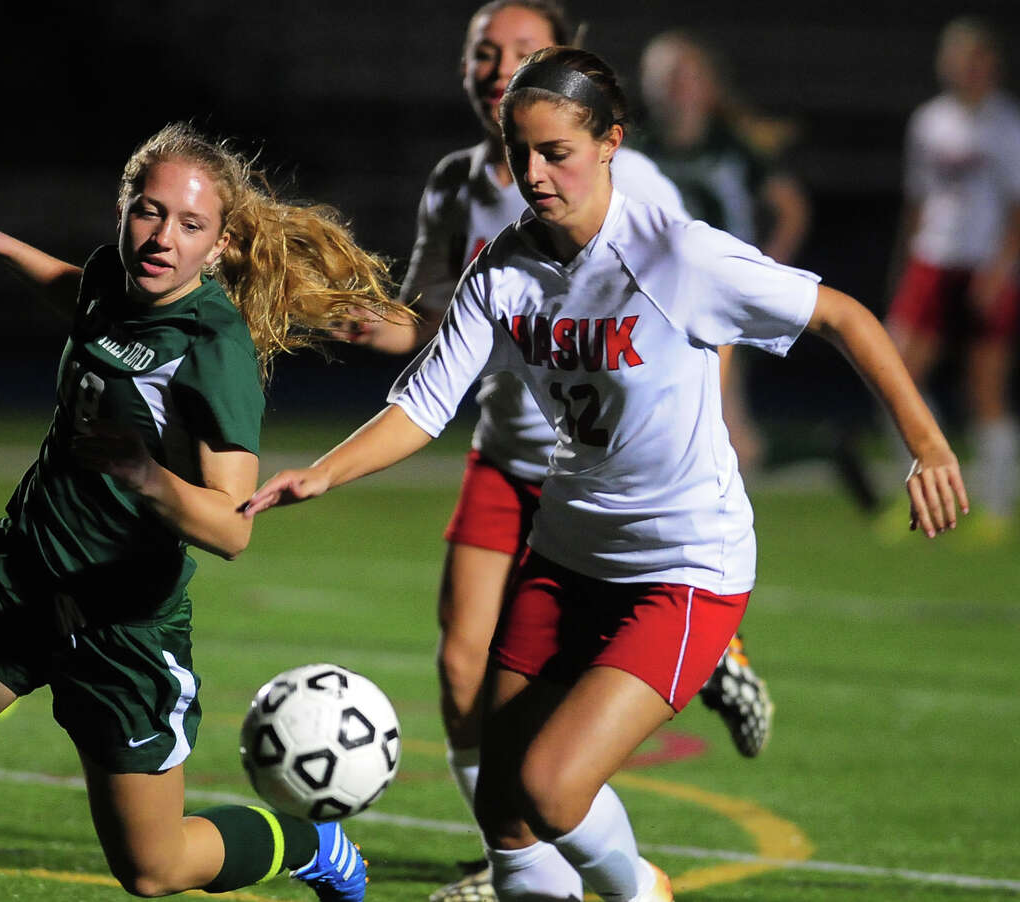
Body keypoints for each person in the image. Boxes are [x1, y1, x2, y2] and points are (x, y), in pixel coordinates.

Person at [245, 47, 967, 902]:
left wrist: (928, 443)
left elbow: (843, 316)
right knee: (507, 812)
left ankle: (639, 892)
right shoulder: (505, 269)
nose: (537, 172)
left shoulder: (678, 257)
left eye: (559, 152)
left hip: (684, 568)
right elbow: (425, 404)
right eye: (522, 153)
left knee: (551, 789)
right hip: (567, 555)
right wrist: (323, 475)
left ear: (611, 143)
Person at [0, 121, 411, 901]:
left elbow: (233, 527)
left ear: (220, 244)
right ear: (124, 206)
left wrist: (148, 478)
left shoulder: (214, 345)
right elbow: (81, 292)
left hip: (121, 629)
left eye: (190, 224)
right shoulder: (112, 276)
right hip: (18, 584)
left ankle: (310, 843)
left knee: (153, 868)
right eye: (149, 210)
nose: (163, 236)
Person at [346, 7, 769, 899]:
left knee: (559, 725)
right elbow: (427, 327)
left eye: (521, 52)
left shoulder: (635, 180)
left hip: (608, 474)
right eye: (482, 53)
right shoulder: (456, 185)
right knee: (463, 665)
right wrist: (335, 312)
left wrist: (716, 423)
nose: (499, 67)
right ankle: (508, 859)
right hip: (507, 448)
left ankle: (698, 652)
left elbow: (699, 301)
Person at [636, 30, 811, 479]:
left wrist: (764, 274)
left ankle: (818, 451)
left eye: (683, 76)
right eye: (665, 76)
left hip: (716, 299)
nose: (674, 87)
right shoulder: (637, 148)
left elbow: (791, 210)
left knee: (726, 428)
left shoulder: (731, 148)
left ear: (706, 85)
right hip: (655, 300)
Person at [884, 16, 1020, 541]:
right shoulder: (929, 122)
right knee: (898, 379)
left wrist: (999, 271)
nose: (968, 67)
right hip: (933, 261)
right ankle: (921, 494)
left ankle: (997, 505)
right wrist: (904, 270)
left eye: (977, 56)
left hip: (986, 265)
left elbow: (1015, 208)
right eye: (959, 56)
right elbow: (918, 203)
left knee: (985, 386)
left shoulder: (1006, 123)